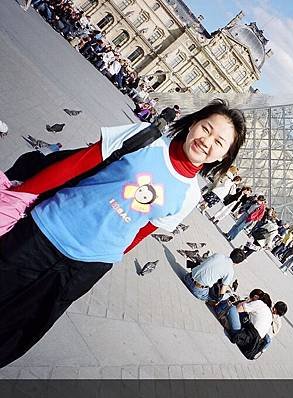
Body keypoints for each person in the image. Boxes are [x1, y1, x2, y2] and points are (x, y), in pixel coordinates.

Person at [0, 99, 247, 368]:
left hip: (87, 266)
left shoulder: (190, 196)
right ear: (193, 124)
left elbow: (140, 233)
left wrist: (103, 260)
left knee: (21, 330)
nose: (207, 140)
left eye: (219, 142)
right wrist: (18, 196)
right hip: (46, 230)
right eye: (206, 128)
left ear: (223, 157)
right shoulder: (144, 137)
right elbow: (75, 164)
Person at [216, 288, 273, 359]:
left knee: (232, 309)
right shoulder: (269, 312)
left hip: (242, 336)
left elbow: (237, 309)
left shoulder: (259, 303)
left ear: (255, 297)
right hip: (252, 343)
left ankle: (222, 315)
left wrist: (246, 301)